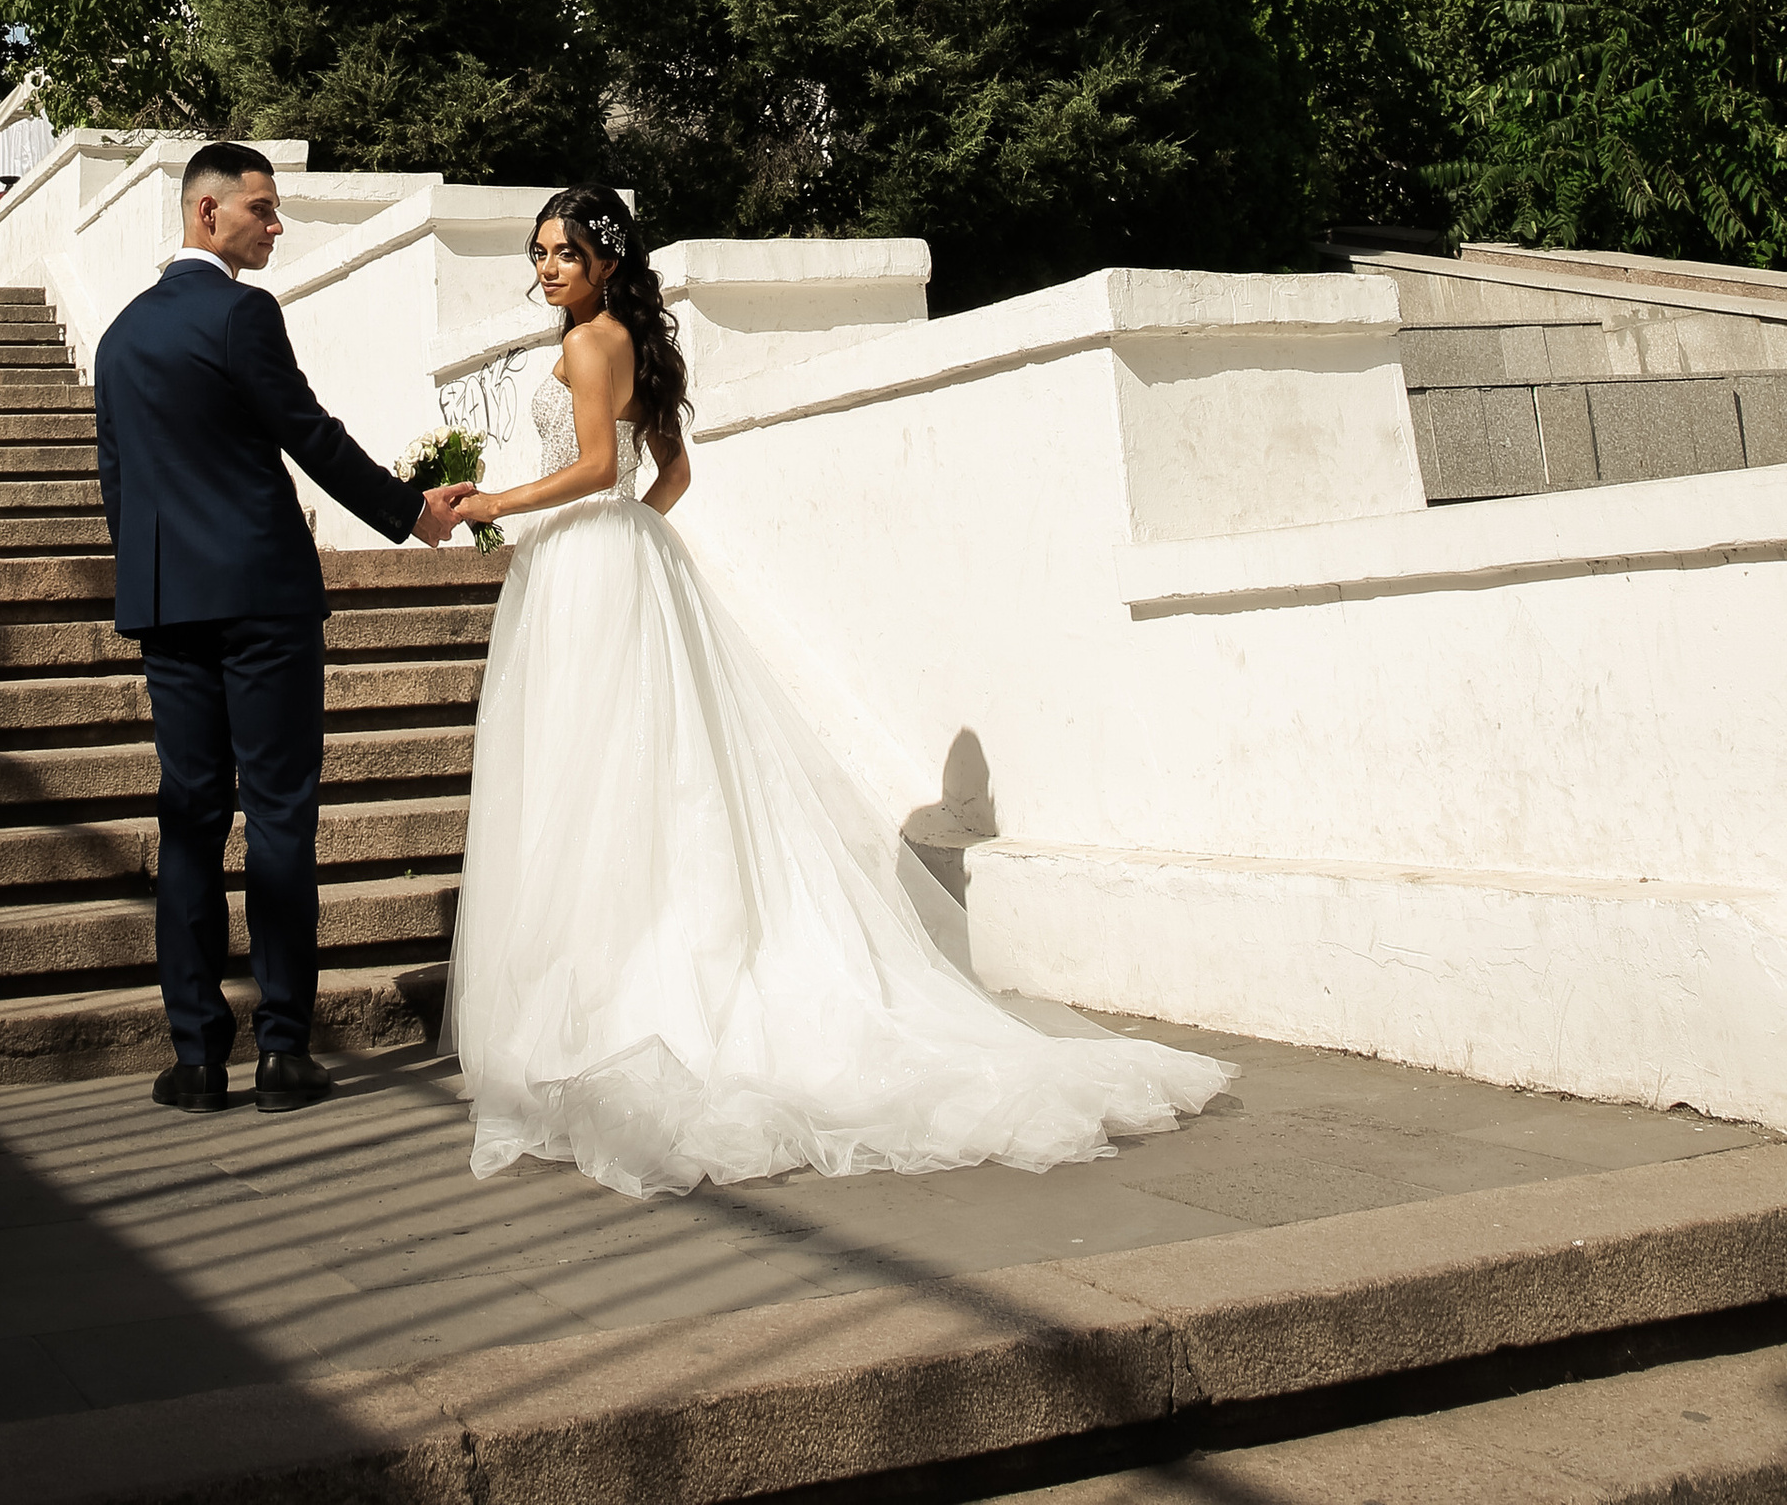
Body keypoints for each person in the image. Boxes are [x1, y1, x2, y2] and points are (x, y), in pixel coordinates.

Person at [436, 186, 1234, 1200]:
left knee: (593, 776)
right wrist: (619, 528)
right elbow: (664, 479)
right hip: (622, 560)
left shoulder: (594, 344)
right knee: (621, 771)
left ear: (606, 264)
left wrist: (502, 501)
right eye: (541, 251)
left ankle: (600, 1001)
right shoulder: (623, 339)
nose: (550, 267)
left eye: (568, 253)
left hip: (591, 563)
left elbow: (600, 467)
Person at [93, 139, 453, 1112]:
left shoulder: (120, 338)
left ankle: (196, 1056)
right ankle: (284, 1050)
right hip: (260, 603)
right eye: (261, 207)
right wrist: (410, 512)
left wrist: (151, 587)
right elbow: (309, 432)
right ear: (205, 214)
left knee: (189, 822)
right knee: (282, 817)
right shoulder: (241, 314)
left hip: (168, 608)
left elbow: (118, 488)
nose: (276, 223)